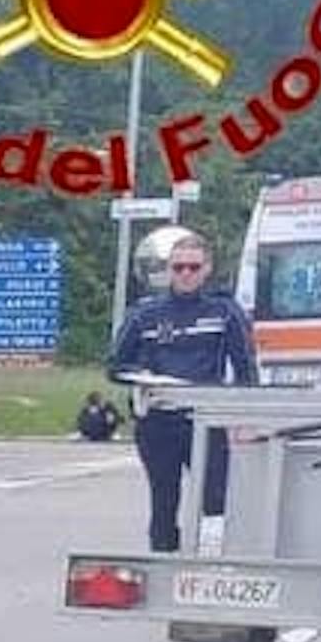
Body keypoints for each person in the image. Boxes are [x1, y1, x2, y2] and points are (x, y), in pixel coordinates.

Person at [106, 228, 258, 553]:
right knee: (164, 497)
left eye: (193, 267)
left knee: (215, 497)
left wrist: (246, 418)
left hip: (205, 421)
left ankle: (212, 560)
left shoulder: (224, 312)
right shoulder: (145, 314)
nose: (186, 274)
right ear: (168, 271)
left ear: (206, 269)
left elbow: (246, 367)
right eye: (179, 268)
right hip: (158, 422)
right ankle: (163, 560)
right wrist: (144, 378)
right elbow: (116, 367)